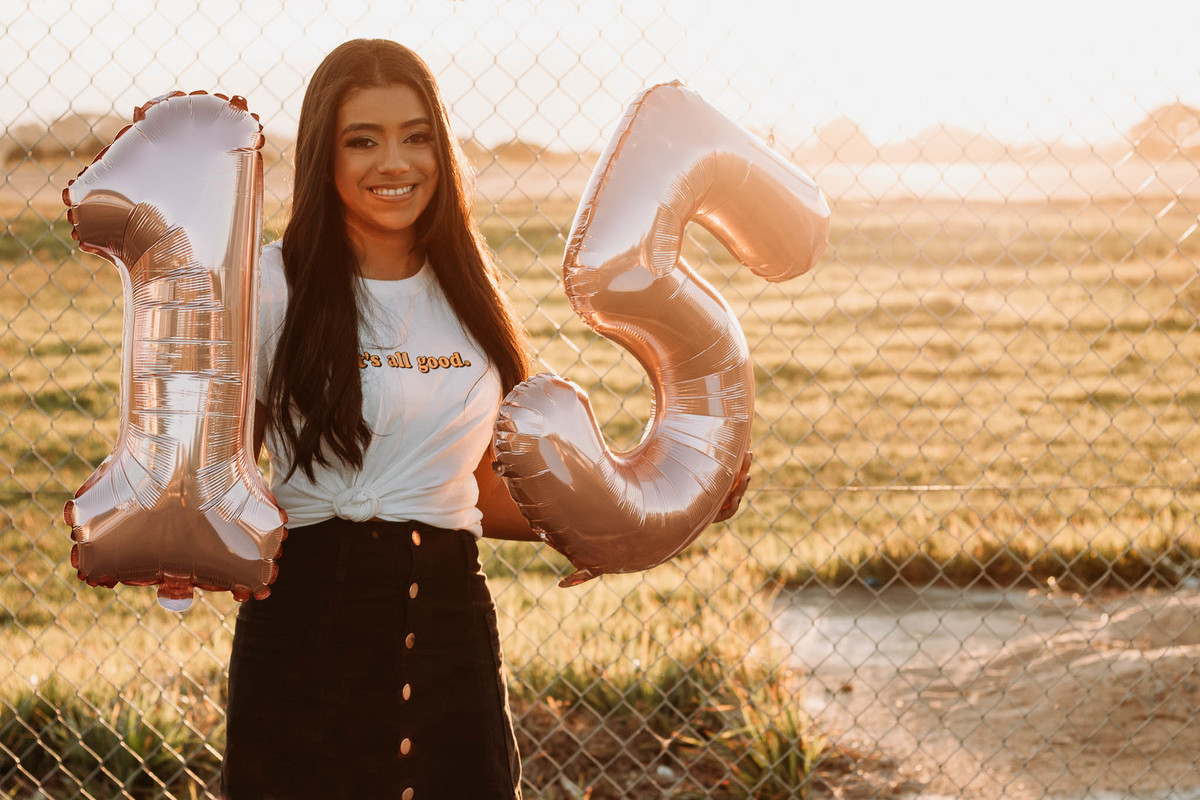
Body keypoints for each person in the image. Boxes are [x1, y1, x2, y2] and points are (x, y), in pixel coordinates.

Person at [221, 38, 749, 799]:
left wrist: (667, 506)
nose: (395, 163)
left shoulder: (469, 293)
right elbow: (216, 473)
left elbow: (476, 489)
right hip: (308, 634)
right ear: (322, 157)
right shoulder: (269, 286)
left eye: (416, 137)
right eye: (362, 140)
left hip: (451, 633)